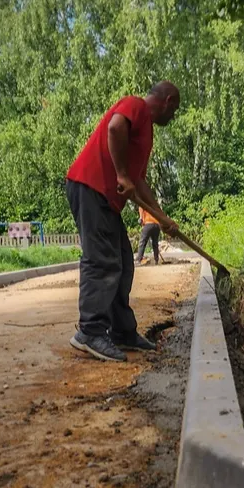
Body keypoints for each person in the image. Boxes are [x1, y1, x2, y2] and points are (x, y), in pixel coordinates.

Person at [65, 81, 180, 362]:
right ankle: (90, 331)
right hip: (90, 186)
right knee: (102, 260)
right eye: (174, 110)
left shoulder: (146, 132)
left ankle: (122, 331)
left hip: (105, 199)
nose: (173, 116)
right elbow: (115, 127)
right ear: (168, 101)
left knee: (124, 262)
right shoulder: (135, 105)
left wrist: (162, 218)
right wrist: (120, 174)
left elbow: (138, 181)